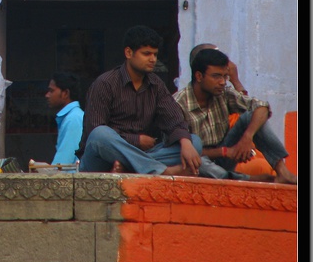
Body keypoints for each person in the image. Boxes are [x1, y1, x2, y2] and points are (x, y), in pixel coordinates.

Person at [77, 25, 202, 175]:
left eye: (155, 54)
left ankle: (131, 167)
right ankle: (160, 170)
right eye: (146, 54)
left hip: (138, 157)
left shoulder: (156, 84)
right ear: (129, 53)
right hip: (102, 160)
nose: (153, 59)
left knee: (194, 142)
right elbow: (94, 130)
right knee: (100, 134)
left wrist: (185, 141)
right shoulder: (105, 83)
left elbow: (174, 119)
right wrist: (136, 140)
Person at [174, 47, 297, 184]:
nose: (222, 82)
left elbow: (262, 107)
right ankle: (245, 179)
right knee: (198, 162)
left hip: (226, 156)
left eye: (225, 76)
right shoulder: (178, 103)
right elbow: (180, 152)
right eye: (216, 76)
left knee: (252, 116)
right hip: (199, 160)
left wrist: (247, 137)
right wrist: (226, 151)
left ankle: (283, 172)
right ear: (199, 76)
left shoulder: (224, 93)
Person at [44, 71, 84, 168]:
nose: (47, 95)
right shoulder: (72, 116)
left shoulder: (73, 118)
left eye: (51, 91)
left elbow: (62, 164)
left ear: (65, 93)